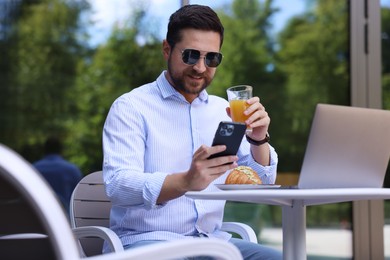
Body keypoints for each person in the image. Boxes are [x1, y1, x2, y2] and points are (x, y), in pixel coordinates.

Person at [102, 4, 282, 259]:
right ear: (167, 49)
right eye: (190, 55)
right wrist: (185, 182)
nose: (200, 67)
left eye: (211, 58)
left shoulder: (225, 110)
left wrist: (258, 138)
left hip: (213, 243)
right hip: (148, 243)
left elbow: (263, 184)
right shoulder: (131, 107)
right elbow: (117, 185)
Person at [33, 137, 82, 213]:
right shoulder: (72, 170)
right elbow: (78, 197)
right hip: (65, 217)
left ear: (44, 150)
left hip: (40, 216)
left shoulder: (34, 169)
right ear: (61, 150)